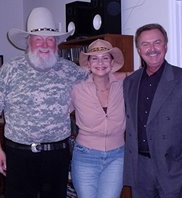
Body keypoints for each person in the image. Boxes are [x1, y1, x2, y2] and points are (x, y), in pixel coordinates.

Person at [0, 7, 88, 198]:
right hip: (19, 154)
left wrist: (127, 77)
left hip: (57, 154)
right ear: (28, 41)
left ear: (56, 42)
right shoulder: (10, 71)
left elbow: (98, 78)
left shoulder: (69, 70)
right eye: (38, 39)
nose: (44, 44)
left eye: (50, 39)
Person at [123, 23, 182, 198]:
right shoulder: (130, 82)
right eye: (145, 44)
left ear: (165, 46)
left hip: (173, 167)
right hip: (139, 168)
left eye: (157, 42)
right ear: (139, 50)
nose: (152, 49)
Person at [70, 39, 126, 198]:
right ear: (88, 64)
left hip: (117, 157)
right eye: (94, 58)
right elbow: (57, 111)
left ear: (112, 61)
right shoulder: (76, 89)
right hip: (85, 156)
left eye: (105, 57)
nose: (100, 62)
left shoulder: (124, 85)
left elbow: (145, 76)